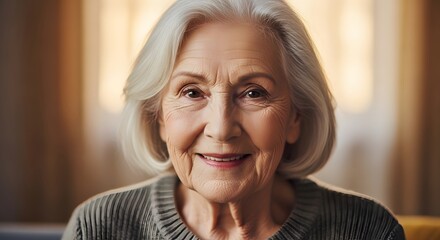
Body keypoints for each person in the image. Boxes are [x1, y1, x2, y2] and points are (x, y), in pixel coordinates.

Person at [63, 0, 405, 239]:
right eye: (192, 93)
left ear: (295, 117)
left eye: (254, 93)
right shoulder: (98, 228)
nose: (222, 128)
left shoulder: (367, 230)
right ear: (159, 117)